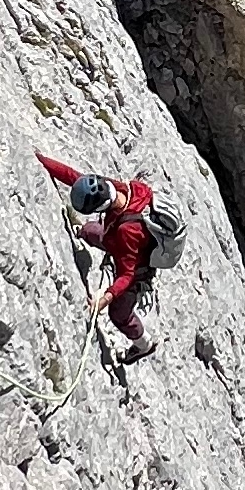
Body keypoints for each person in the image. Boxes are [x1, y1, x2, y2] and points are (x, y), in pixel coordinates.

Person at [38, 150, 186, 361]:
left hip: (136, 269)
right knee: (90, 231)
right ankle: (84, 231)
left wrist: (105, 298)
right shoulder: (124, 189)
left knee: (119, 314)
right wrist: (43, 161)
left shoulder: (127, 232)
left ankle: (144, 345)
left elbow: (127, 274)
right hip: (117, 242)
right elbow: (75, 178)